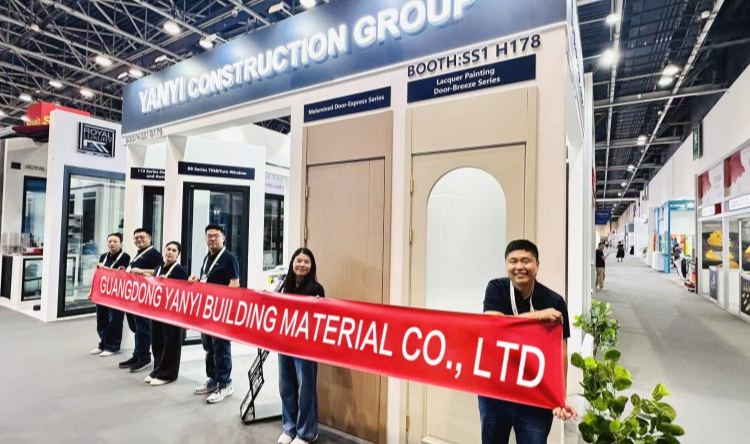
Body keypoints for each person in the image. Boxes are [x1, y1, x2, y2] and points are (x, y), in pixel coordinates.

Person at [480, 239, 576, 444]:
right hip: (495, 391)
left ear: (537, 265)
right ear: (506, 265)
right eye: (513, 261)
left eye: (526, 261)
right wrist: (537, 316)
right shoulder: (496, 288)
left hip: (535, 394)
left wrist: (560, 396)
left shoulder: (554, 301)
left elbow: (560, 351)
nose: (519, 267)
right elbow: (493, 324)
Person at [277, 248, 325, 444]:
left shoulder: (317, 289)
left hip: (306, 347)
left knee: (305, 389)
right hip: (284, 343)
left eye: (306, 262)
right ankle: (289, 428)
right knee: (286, 386)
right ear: (292, 263)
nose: (302, 265)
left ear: (312, 266)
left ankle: (306, 433)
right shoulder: (284, 284)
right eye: (299, 261)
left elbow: (322, 318)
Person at [188, 224, 240, 404]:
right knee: (208, 346)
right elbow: (207, 279)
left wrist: (221, 302)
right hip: (206, 309)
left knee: (221, 347)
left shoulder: (229, 258)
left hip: (220, 311)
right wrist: (196, 280)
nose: (212, 239)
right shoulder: (207, 258)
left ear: (223, 237)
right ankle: (213, 379)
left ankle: (225, 383)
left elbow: (234, 284)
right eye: (209, 236)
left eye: (216, 236)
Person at [143, 241, 189, 386]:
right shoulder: (158, 268)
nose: (170, 252)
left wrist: (169, 282)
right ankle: (158, 369)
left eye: (174, 250)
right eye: (168, 249)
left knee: (170, 344)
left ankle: (168, 374)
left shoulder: (180, 271)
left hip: (173, 313)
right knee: (157, 342)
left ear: (178, 254)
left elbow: (184, 291)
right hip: (158, 311)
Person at [118, 228, 163, 373]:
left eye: (142, 237)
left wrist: (140, 271)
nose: (139, 240)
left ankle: (144, 357)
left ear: (149, 237)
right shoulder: (140, 253)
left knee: (143, 328)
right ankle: (137, 354)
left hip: (145, 297)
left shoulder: (153, 254)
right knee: (136, 327)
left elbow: (160, 271)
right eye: (136, 238)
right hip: (134, 296)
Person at [90, 233, 130, 357]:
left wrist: (104, 269)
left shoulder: (125, 257)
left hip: (117, 293)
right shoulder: (103, 256)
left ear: (120, 243)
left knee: (115, 320)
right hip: (102, 292)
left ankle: (113, 346)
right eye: (110, 241)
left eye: (115, 241)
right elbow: (98, 274)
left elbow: (120, 273)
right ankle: (103, 343)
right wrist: (92, 291)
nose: (112, 244)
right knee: (101, 319)